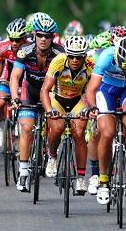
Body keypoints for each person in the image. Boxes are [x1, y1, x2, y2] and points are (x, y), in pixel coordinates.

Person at [84, 36, 126, 205]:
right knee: (107, 133)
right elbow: (91, 89)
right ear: (116, 57)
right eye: (122, 66)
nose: (125, 70)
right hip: (106, 89)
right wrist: (93, 107)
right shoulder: (105, 57)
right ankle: (103, 181)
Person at [9, 12, 64, 192]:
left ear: (52, 37)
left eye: (47, 36)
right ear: (34, 35)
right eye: (39, 35)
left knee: (56, 126)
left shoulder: (60, 53)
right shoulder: (24, 51)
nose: (43, 39)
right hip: (30, 91)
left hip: (51, 93)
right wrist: (15, 98)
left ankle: (50, 154)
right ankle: (23, 172)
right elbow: (15, 77)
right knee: (26, 128)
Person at [40, 36, 93, 194]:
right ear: (67, 55)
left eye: (79, 57)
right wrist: (49, 110)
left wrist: (88, 108)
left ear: (84, 56)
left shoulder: (91, 66)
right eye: (71, 56)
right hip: (58, 99)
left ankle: (81, 178)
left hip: (78, 100)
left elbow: (93, 91)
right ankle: (52, 156)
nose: (75, 60)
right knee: (57, 128)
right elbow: (45, 90)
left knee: (79, 133)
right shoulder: (58, 61)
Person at [0, 18, 28, 151]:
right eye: (12, 39)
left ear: (25, 38)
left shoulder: (32, 47)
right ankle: (0, 125)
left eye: (18, 39)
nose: (14, 42)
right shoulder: (2, 46)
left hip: (25, 82)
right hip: (6, 80)